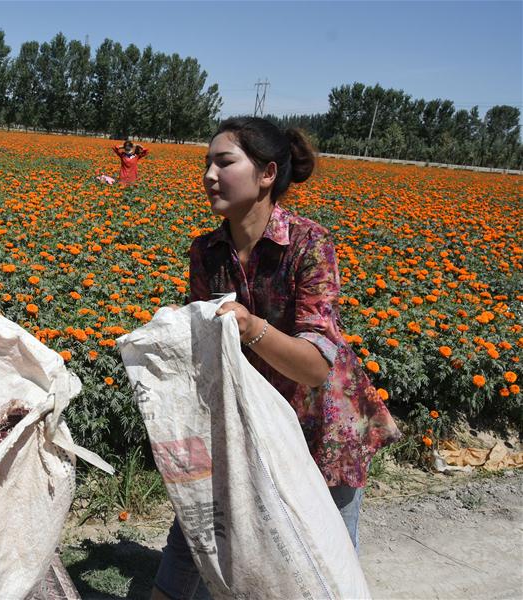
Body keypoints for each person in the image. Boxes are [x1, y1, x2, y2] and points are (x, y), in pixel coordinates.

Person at [151, 117, 401, 600]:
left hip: (323, 426)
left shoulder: (309, 246)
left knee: (323, 561)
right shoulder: (206, 252)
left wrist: (251, 326)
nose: (208, 175)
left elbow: (314, 366)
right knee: (199, 524)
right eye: (207, 163)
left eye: (224, 162)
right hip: (249, 417)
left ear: (267, 173)